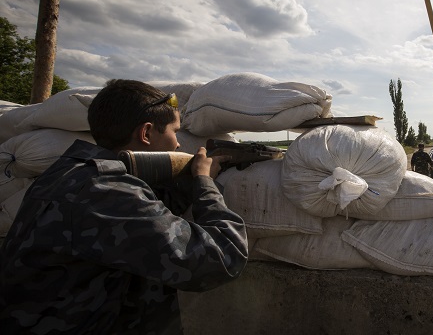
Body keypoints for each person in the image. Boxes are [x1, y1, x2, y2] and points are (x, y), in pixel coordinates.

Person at [0, 79, 249, 334]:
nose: (177, 144)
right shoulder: (107, 192)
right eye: (174, 131)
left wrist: (189, 182)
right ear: (146, 133)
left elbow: (153, 217)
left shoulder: (70, 172)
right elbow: (221, 258)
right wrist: (205, 184)